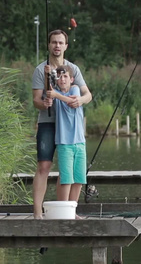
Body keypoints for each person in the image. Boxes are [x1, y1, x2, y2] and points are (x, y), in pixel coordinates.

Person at [31, 29, 92, 219]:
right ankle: (37, 212)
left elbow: (87, 94)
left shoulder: (73, 69)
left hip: (70, 128)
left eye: (60, 42)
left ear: (66, 46)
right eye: (53, 42)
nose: (57, 46)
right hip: (48, 123)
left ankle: (66, 212)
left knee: (68, 169)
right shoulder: (41, 70)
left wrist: (80, 101)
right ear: (49, 45)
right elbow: (35, 100)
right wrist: (44, 103)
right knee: (44, 166)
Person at [46, 65, 86, 206]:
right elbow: (50, 97)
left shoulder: (75, 89)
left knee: (79, 179)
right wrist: (50, 98)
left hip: (80, 142)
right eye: (60, 77)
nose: (62, 79)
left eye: (65, 76)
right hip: (64, 143)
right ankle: (64, 210)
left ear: (71, 79)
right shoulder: (54, 93)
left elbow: (72, 102)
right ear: (56, 80)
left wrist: (56, 96)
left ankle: (72, 210)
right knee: (66, 179)